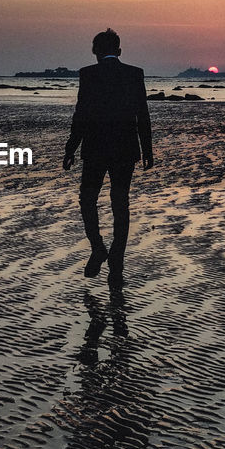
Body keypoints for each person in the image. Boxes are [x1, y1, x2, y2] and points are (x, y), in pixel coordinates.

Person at [63, 28, 153, 288]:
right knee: (120, 203)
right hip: (126, 150)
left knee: (88, 200)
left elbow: (81, 115)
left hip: (95, 149)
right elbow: (143, 115)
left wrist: (71, 148)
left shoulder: (88, 75)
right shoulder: (134, 74)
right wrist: (147, 150)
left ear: (95, 52)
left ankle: (98, 248)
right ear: (119, 51)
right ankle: (117, 261)